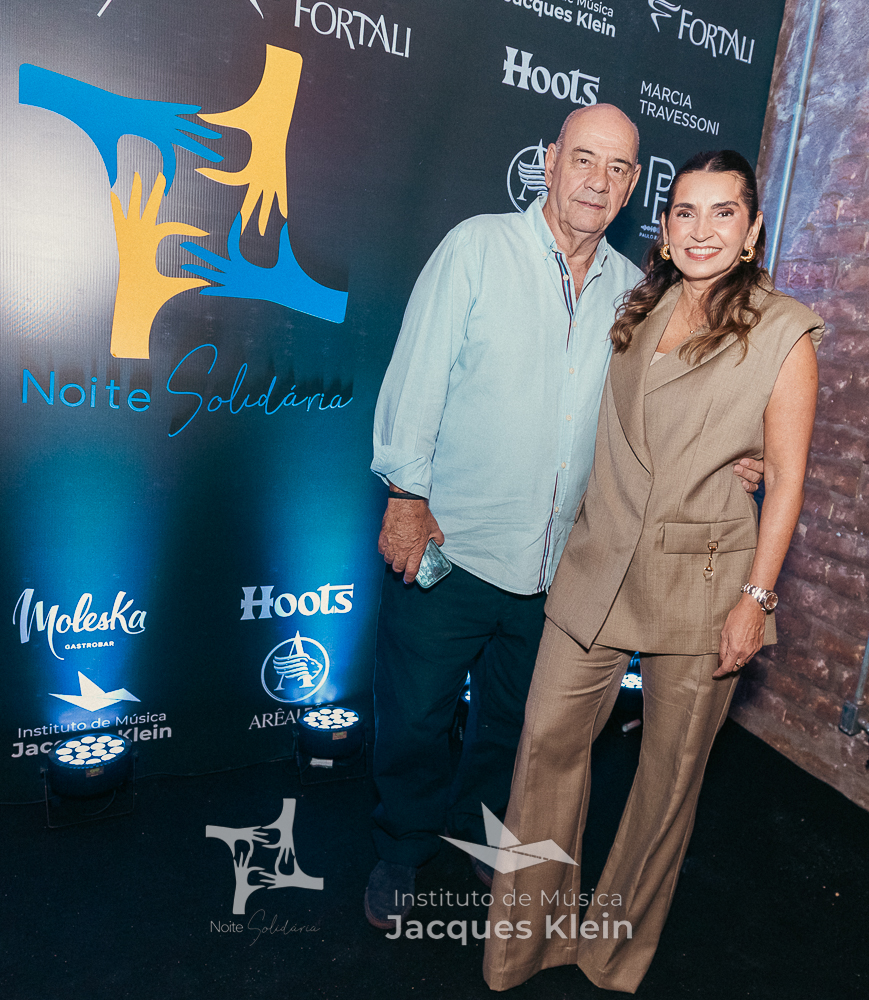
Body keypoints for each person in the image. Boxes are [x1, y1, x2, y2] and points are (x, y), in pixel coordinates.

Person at [365, 110, 760, 930]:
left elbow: (662, 410)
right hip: (451, 543)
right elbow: (418, 373)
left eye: (617, 169)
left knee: (509, 724)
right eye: (583, 159)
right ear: (549, 163)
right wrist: (405, 496)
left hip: (559, 567)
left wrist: (730, 454)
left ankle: (477, 836)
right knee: (416, 713)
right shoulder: (477, 248)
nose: (597, 181)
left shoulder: (636, 292)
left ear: (632, 186)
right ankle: (403, 845)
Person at [481, 149, 823, 993]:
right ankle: (526, 943)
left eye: (723, 213)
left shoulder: (784, 332)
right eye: (685, 212)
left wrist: (756, 599)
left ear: (751, 231)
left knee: (668, 778)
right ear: (664, 229)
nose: (702, 230)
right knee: (546, 744)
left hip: (705, 581)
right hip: (599, 560)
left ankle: (611, 951)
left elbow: (786, 480)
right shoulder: (638, 303)